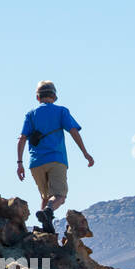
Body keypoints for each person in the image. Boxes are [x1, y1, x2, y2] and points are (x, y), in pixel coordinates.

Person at [16, 80, 94, 233]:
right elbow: (73, 131)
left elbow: (22, 138)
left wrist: (19, 163)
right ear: (54, 96)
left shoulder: (31, 115)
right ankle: (48, 212)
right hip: (56, 160)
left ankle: (46, 228)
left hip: (35, 162)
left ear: (38, 98)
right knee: (59, 196)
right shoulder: (61, 111)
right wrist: (85, 153)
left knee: (45, 197)